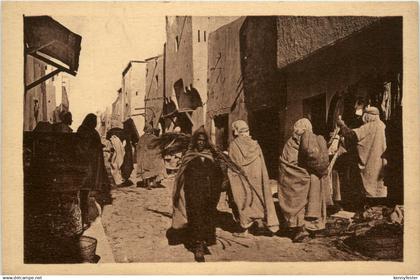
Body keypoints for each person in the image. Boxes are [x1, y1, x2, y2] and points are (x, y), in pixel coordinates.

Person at [171, 127, 223, 262]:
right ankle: (198, 246)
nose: (200, 143)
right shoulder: (189, 156)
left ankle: (204, 241)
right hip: (193, 194)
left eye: (203, 141)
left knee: (207, 218)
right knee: (196, 218)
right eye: (198, 140)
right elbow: (181, 177)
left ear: (206, 142)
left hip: (209, 194)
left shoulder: (211, 157)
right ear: (195, 142)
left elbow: (218, 176)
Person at [278, 118, 331, 242]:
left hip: (298, 178)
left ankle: (301, 229)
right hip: (312, 178)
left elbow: (288, 164)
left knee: (297, 201)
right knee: (311, 201)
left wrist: (302, 172)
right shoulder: (314, 140)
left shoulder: (291, 143)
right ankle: (311, 228)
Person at [226, 120, 279, 237]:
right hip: (257, 178)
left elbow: (233, 165)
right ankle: (259, 223)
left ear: (235, 131)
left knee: (243, 199)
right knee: (258, 198)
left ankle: (245, 229)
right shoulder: (255, 145)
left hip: (243, 179)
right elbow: (262, 164)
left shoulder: (234, 145)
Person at [337, 106, 388, 206]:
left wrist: (342, 125)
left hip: (370, 161)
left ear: (368, 116)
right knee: (378, 187)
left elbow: (352, 135)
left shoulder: (370, 126)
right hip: (380, 161)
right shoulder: (382, 125)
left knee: (369, 186)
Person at [77, 113, 108, 230]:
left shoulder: (82, 130)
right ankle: (84, 219)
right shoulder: (89, 132)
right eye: (95, 121)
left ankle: (84, 218)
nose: (96, 123)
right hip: (87, 167)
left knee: (84, 194)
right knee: (84, 193)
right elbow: (85, 147)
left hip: (87, 166)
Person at [136, 124, 167, 189]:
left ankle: (147, 184)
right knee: (153, 170)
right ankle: (154, 183)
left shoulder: (142, 138)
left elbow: (138, 148)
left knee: (146, 171)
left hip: (144, 158)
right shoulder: (154, 137)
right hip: (152, 157)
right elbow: (158, 147)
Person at [106, 119, 133, 187]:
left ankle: (117, 180)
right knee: (121, 165)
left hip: (115, 153)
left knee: (115, 166)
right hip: (123, 153)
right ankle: (122, 179)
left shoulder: (111, 134)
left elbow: (110, 146)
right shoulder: (124, 134)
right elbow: (125, 145)